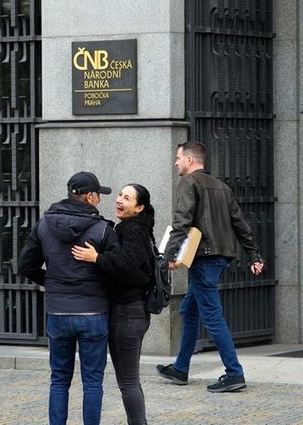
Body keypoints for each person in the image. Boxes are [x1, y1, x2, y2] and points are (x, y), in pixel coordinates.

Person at [155, 141, 264, 393]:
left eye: (178, 158)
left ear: (190, 161)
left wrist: (169, 255)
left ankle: (234, 373)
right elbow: (241, 225)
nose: (176, 163)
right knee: (189, 311)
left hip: (203, 257)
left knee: (212, 316)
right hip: (219, 256)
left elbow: (181, 221)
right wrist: (254, 255)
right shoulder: (222, 187)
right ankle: (181, 368)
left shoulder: (189, 182)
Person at [18, 171, 119, 425]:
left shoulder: (43, 224)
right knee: (93, 381)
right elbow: (116, 269)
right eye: (98, 195)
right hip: (93, 312)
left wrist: (50, 283)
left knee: (59, 379)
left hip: (58, 312)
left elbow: (25, 265)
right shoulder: (103, 229)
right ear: (89, 196)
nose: (100, 200)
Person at [72, 184, 156, 425]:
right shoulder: (137, 228)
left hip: (127, 313)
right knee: (129, 380)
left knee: (128, 381)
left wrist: (96, 257)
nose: (119, 200)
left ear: (139, 208)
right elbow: (140, 273)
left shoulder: (131, 230)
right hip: (133, 311)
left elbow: (129, 268)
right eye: (120, 195)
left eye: (127, 198)